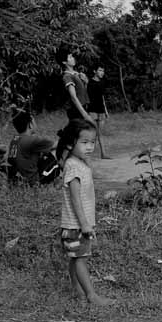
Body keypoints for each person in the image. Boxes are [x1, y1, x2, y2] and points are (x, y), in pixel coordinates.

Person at [56, 118, 115, 306]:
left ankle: (78, 291)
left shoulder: (79, 163)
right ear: (70, 143)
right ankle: (91, 295)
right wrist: (84, 224)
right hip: (76, 225)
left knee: (75, 259)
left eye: (92, 142)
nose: (89, 147)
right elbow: (75, 199)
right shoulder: (73, 166)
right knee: (81, 260)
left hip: (74, 224)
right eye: (84, 142)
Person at [6, 110, 59, 185]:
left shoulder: (15, 139)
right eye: (34, 121)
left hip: (17, 180)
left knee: (43, 155)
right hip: (32, 181)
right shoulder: (32, 140)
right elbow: (57, 145)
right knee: (56, 152)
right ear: (30, 125)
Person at [55, 45, 96, 127]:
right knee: (80, 135)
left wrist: (86, 81)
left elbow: (84, 92)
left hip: (83, 106)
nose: (73, 58)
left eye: (72, 56)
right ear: (64, 62)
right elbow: (73, 97)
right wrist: (85, 115)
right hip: (76, 110)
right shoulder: (67, 76)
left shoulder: (76, 74)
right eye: (70, 57)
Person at [87, 65, 111, 159]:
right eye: (100, 70)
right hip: (92, 110)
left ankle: (103, 154)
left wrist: (106, 110)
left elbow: (102, 97)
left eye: (103, 71)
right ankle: (87, 154)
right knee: (92, 133)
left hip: (101, 110)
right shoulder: (89, 82)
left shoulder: (102, 82)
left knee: (100, 133)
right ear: (94, 71)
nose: (102, 72)